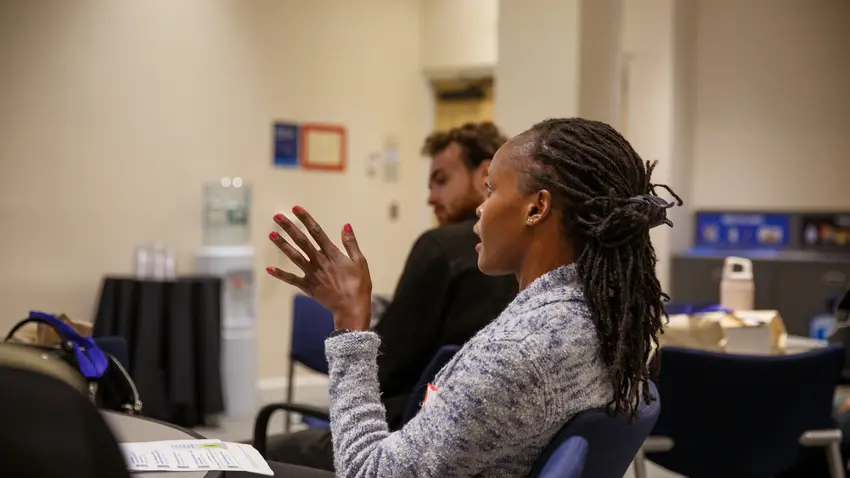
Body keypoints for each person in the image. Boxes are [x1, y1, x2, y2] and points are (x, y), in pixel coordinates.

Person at [266, 117, 681, 476]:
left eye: (489, 190)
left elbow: (369, 472)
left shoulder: (522, 350)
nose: (480, 210)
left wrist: (349, 322)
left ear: (536, 208)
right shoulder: (594, 319)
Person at [264, 122, 518, 469]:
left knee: (245, 452)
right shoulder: (526, 277)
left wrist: (352, 321)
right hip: (462, 445)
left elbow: (383, 371)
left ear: (484, 174)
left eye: (441, 181)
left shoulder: (440, 249)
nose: (430, 198)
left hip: (398, 437)